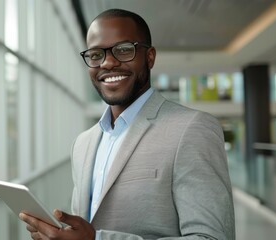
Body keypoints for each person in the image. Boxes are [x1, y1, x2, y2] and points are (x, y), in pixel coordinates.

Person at [20, 8, 235, 240]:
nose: (108, 63)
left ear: (149, 57)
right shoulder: (83, 144)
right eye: (95, 55)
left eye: (123, 50)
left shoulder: (192, 129)